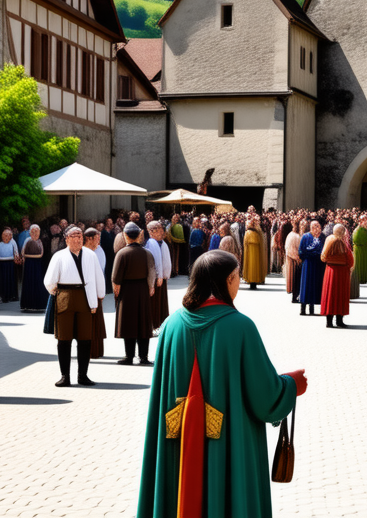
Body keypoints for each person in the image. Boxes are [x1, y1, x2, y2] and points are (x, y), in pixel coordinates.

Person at [138, 251, 306, 518]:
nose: (239, 282)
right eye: (238, 276)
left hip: (177, 445)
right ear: (228, 279)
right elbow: (266, 397)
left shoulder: (170, 326)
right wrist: (291, 385)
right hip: (230, 445)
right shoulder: (240, 327)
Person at [44, 227, 106, 387]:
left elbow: (99, 277)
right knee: (63, 339)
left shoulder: (91, 255)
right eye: (74, 236)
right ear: (66, 239)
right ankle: (65, 376)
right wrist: (58, 293)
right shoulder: (59, 256)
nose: (78, 239)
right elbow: (49, 281)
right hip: (65, 297)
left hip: (85, 297)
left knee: (85, 339)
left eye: (80, 236)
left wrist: (99, 297)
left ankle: (82, 375)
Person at [113, 223, 156, 365]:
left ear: (125, 235)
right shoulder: (147, 253)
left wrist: (117, 293)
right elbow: (152, 272)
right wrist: (150, 288)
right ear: (139, 235)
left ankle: (129, 356)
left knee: (128, 323)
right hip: (143, 289)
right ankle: (144, 356)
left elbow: (115, 278)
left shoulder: (121, 254)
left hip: (126, 291)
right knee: (143, 323)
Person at [321, 223, 354, 328]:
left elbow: (323, 257)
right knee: (340, 295)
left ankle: (329, 321)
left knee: (330, 294)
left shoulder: (329, 240)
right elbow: (350, 260)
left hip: (330, 270)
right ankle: (339, 320)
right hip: (342, 271)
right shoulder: (342, 243)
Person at [84, 228, 108, 360]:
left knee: (97, 323)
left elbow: (100, 273)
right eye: (97, 239)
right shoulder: (84, 253)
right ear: (89, 239)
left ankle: (97, 350)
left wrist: (100, 293)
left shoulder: (98, 251)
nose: (98, 242)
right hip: (87, 292)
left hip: (96, 292)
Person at [145, 222, 173, 335]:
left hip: (161, 278)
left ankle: (161, 324)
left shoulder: (161, 243)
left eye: (161, 229)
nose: (162, 232)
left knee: (161, 303)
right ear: (151, 232)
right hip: (157, 278)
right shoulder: (152, 243)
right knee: (156, 304)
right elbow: (155, 262)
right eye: (158, 230)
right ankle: (155, 325)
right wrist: (159, 276)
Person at [297, 221, 325, 317]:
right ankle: (303, 308)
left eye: (318, 226)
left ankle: (312, 308)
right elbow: (301, 251)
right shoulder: (305, 237)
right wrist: (310, 255)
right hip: (308, 264)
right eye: (315, 226)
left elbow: (322, 250)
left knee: (314, 285)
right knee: (306, 284)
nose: (316, 228)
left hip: (317, 264)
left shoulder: (322, 237)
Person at [20, 225, 49, 311]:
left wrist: (33, 256)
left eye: (37, 231)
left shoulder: (40, 241)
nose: (35, 233)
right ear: (30, 232)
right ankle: (28, 304)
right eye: (33, 231)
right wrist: (31, 256)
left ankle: (38, 304)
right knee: (28, 282)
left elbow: (41, 254)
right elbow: (23, 253)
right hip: (29, 264)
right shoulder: (27, 240)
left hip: (37, 264)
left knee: (38, 282)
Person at [242, 218, 268, 289]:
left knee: (251, 266)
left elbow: (245, 243)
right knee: (255, 266)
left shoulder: (248, 233)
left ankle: (251, 281)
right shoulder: (258, 233)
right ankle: (255, 281)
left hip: (249, 253)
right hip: (256, 254)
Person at [353, 218, 367, 288]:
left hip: (365, 249)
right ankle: (361, 278)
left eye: (366, 222)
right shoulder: (360, 230)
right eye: (364, 221)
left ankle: (364, 278)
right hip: (362, 249)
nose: (365, 223)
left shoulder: (366, 230)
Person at [284, 222, 302, 302]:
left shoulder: (291, 235)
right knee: (295, 279)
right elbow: (291, 250)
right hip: (294, 261)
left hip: (292, 259)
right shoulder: (294, 236)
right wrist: (298, 258)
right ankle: (295, 296)